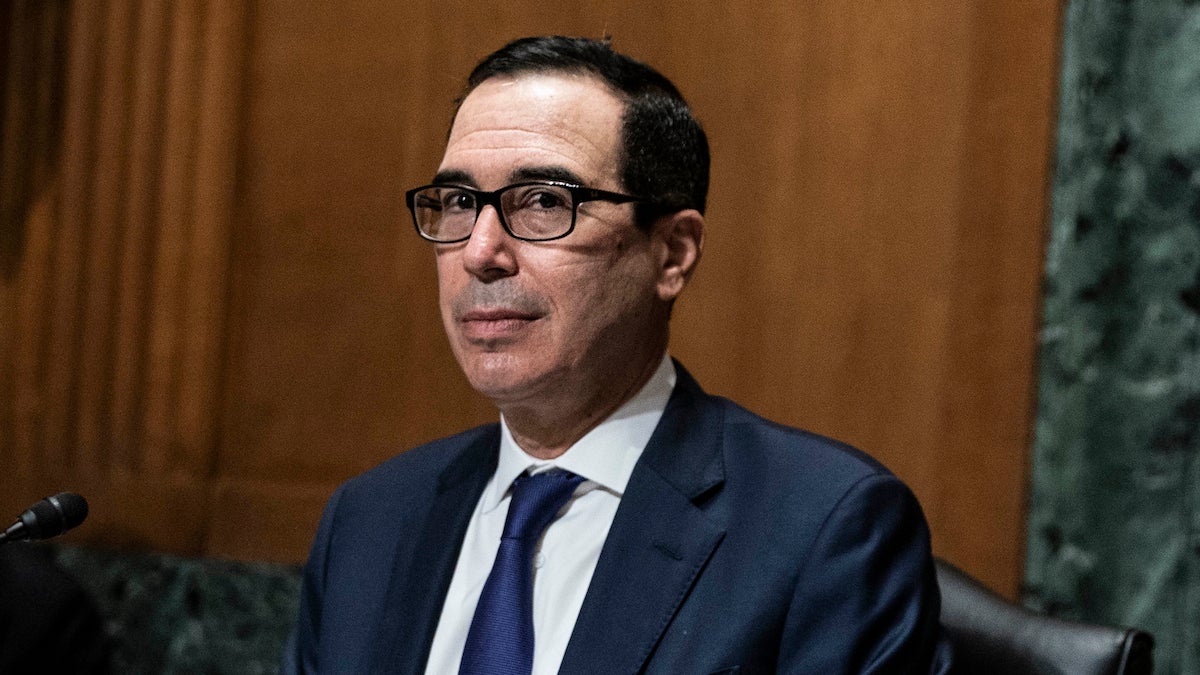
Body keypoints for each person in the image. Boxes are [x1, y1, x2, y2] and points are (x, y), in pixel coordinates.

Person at [284, 35, 951, 674]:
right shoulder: (369, 522)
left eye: (544, 201)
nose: (480, 252)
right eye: (460, 202)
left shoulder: (825, 529)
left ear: (672, 253)